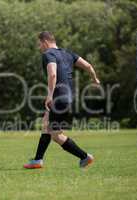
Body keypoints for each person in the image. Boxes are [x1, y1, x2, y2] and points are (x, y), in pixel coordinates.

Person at [24, 31, 100, 169]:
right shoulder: (68, 53)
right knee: (46, 124)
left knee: (56, 135)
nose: (39, 47)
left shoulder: (48, 54)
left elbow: (52, 74)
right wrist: (94, 78)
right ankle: (38, 160)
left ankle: (84, 157)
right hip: (69, 98)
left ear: (45, 42)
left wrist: (50, 95)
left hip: (58, 98)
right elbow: (88, 66)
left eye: (39, 44)